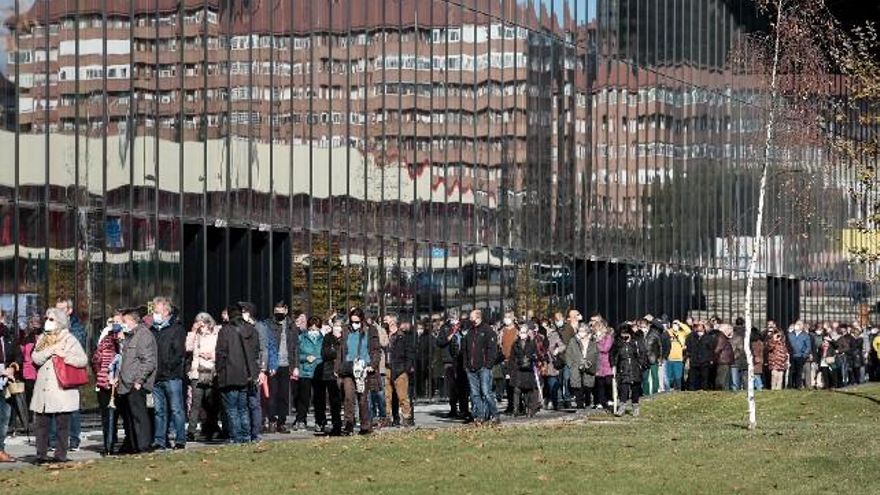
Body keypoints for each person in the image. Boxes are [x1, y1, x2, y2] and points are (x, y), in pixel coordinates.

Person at [31, 308, 88, 464]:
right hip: (44, 389)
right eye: (47, 318)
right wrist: (51, 350)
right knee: (42, 424)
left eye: (51, 319)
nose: (47, 322)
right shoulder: (43, 338)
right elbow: (35, 358)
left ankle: (60, 455)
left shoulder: (69, 339)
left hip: (62, 389)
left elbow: (82, 360)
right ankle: (41, 455)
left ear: (60, 322)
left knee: (63, 425)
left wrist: (65, 356)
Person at [216, 303, 261, 443]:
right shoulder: (252, 330)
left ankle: (235, 437)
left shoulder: (225, 330)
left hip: (229, 374)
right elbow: (255, 353)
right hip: (246, 375)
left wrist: (219, 371)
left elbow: (221, 354)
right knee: (243, 408)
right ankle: (245, 436)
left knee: (232, 408)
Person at [117, 308, 157, 454]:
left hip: (136, 383)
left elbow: (148, 361)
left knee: (139, 416)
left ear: (133, 321)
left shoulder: (143, 335)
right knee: (130, 418)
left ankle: (143, 446)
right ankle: (134, 446)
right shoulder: (130, 336)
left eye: (124, 321)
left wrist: (139, 381)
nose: (122, 324)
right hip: (126, 383)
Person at [336, 308, 380, 435]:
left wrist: (373, 364)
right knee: (348, 397)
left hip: (363, 368)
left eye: (357, 321)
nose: (354, 324)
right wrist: (337, 369)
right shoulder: (346, 330)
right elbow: (341, 350)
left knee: (363, 398)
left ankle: (365, 426)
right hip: (349, 368)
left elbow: (376, 350)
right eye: (352, 321)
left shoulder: (370, 330)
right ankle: (348, 424)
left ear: (362, 320)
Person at [53, 298, 86, 452]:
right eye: (57, 309)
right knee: (54, 407)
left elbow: (75, 347)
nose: (58, 312)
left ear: (69, 310)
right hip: (55, 371)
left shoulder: (76, 328)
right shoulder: (51, 326)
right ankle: (54, 440)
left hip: (70, 370)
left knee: (72, 407)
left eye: (62, 309)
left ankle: (74, 439)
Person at [263, 302, 298, 434]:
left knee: (284, 395)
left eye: (281, 310)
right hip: (273, 364)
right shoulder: (269, 324)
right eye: (276, 310)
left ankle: (282, 422)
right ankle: (272, 420)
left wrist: (295, 366)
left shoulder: (291, 325)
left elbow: (295, 347)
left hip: (287, 364)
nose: (278, 312)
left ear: (286, 310)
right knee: (272, 394)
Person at [91, 312, 124, 455]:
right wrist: (103, 375)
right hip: (107, 383)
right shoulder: (106, 340)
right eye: (113, 321)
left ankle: (123, 443)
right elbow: (96, 359)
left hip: (124, 383)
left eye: (119, 322)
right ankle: (109, 445)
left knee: (124, 415)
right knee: (108, 416)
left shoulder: (129, 340)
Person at [186, 312, 221, 442]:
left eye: (203, 324)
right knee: (196, 403)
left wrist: (211, 355)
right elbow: (188, 347)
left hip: (211, 371)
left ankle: (211, 429)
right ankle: (191, 431)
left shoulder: (216, 334)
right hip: (197, 372)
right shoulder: (196, 335)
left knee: (211, 404)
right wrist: (193, 332)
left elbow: (221, 350)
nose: (201, 327)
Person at [462, 309, 500, 424]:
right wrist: (466, 365)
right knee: (475, 394)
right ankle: (480, 416)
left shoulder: (488, 331)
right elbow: (465, 350)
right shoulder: (470, 332)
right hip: (471, 368)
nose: (470, 319)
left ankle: (494, 414)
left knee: (486, 392)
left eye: (472, 317)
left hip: (483, 367)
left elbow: (492, 350)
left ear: (478, 317)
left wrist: (488, 364)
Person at [436, 311, 469, 420]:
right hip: (449, 361)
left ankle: (464, 409)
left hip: (461, 360)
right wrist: (451, 334)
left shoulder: (462, 327)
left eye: (456, 316)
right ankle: (453, 409)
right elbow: (440, 342)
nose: (455, 318)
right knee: (452, 387)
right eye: (453, 316)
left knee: (462, 386)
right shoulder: (445, 328)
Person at [0, 309, 23, 463]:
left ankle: (0, 449)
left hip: (5, 384)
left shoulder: (7, 335)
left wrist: (12, 368)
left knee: (4, 417)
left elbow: (18, 355)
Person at [384, 314, 415, 427]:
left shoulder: (403, 336)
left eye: (387, 320)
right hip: (387, 368)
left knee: (402, 396)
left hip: (400, 369)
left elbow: (410, 353)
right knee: (387, 396)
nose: (385, 322)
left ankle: (407, 418)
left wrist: (405, 368)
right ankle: (389, 417)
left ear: (393, 322)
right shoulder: (384, 335)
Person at [294, 317, 323, 431]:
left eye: (316, 329)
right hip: (305, 371)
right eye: (311, 329)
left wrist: (317, 358)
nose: (314, 331)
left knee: (319, 398)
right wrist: (306, 357)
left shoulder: (323, 339)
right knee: (304, 398)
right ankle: (301, 419)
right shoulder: (301, 338)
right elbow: (296, 354)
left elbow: (325, 354)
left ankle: (320, 421)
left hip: (318, 371)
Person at [315, 323, 343, 436]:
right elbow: (325, 354)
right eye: (335, 325)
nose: (337, 327)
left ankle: (347, 422)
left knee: (344, 398)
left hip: (343, 370)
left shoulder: (346, 336)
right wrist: (336, 352)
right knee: (333, 400)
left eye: (339, 325)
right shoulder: (328, 337)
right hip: (329, 372)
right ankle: (336, 424)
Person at [613, 324, 646, 417]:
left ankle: (635, 407)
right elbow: (613, 355)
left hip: (635, 367)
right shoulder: (618, 343)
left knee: (635, 388)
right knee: (623, 388)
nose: (624, 336)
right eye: (622, 334)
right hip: (623, 368)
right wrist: (614, 365)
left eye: (626, 334)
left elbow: (642, 353)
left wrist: (640, 365)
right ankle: (622, 406)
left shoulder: (636, 342)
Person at [507, 325, 538, 417]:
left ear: (527, 333)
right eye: (521, 332)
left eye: (524, 332)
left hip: (528, 370)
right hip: (518, 369)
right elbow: (511, 358)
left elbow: (536, 355)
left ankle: (529, 410)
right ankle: (515, 410)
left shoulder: (532, 343)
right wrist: (510, 371)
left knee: (528, 391)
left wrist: (532, 358)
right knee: (517, 389)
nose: (522, 334)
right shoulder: (515, 344)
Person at [565, 323, 598, 409]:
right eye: (579, 331)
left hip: (588, 366)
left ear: (587, 332)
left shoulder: (592, 341)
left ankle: (587, 403)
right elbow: (568, 354)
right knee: (577, 386)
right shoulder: (573, 341)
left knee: (587, 386)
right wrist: (571, 365)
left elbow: (596, 354)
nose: (581, 333)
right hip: (576, 366)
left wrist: (591, 363)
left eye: (583, 331)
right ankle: (579, 406)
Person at [498, 313, 518, 414]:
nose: (507, 319)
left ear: (513, 319)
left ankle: (517, 405)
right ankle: (510, 405)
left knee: (515, 384)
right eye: (505, 317)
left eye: (508, 317)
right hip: (505, 361)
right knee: (508, 385)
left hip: (514, 361)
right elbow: (500, 344)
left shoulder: (517, 331)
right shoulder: (502, 331)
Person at [685, 322, 714, 391]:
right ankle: (692, 389)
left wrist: (710, 358)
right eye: (697, 327)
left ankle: (704, 389)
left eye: (700, 327)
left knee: (704, 378)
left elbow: (711, 348)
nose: (699, 329)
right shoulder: (691, 336)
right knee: (693, 377)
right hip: (694, 360)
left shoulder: (708, 337)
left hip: (704, 361)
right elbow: (688, 347)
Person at [664, 319, 690, 391]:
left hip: (678, 359)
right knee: (669, 377)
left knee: (678, 377)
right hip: (669, 358)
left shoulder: (682, 333)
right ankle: (668, 391)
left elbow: (688, 331)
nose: (675, 325)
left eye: (676, 324)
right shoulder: (669, 332)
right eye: (674, 324)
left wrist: (680, 323)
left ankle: (678, 391)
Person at [594, 321, 614, 410]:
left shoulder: (608, 337)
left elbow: (606, 348)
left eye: (598, 328)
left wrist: (597, 343)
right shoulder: (594, 338)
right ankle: (601, 401)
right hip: (598, 363)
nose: (596, 330)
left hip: (607, 363)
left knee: (608, 383)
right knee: (600, 384)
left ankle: (610, 398)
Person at [787, 320, 811, 389]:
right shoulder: (790, 335)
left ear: (802, 326)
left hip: (800, 356)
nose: (797, 325)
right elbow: (787, 344)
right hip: (792, 355)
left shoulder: (805, 335)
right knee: (791, 371)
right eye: (796, 324)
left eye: (799, 324)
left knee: (799, 371)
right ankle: (790, 385)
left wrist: (804, 355)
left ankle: (798, 385)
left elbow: (808, 347)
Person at [714, 324, 735, 391]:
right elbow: (718, 349)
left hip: (724, 361)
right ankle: (722, 392)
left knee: (725, 379)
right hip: (723, 361)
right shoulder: (721, 337)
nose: (731, 332)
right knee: (722, 379)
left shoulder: (723, 337)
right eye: (730, 329)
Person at [730, 319, 747, 391]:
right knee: (745, 377)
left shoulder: (733, 334)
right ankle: (746, 389)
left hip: (735, 359)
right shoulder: (747, 333)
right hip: (745, 357)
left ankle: (736, 390)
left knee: (735, 378)